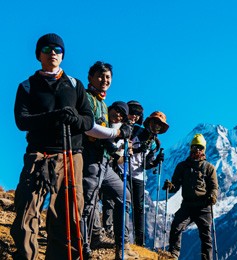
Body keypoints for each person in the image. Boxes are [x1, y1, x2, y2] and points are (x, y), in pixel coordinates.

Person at [11, 33, 94, 259]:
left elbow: (88, 120)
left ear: (63, 55)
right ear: (39, 55)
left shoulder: (75, 85)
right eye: (47, 50)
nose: (53, 54)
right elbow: (22, 121)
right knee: (27, 208)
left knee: (68, 213)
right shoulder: (27, 86)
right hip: (38, 153)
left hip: (70, 154)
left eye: (57, 50)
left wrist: (75, 120)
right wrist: (54, 117)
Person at [81, 61, 137, 259]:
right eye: (100, 76)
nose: (104, 80)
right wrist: (118, 132)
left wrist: (114, 151)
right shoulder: (86, 99)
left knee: (124, 195)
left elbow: (106, 139)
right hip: (89, 159)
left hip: (104, 162)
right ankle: (83, 245)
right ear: (90, 77)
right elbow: (90, 129)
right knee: (87, 202)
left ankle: (121, 245)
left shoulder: (104, 105)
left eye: (108, 78)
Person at [104, 107, 169, 247]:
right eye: (155, 123)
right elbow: (123, 146)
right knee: (122, 202)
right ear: (149, 122)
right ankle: (121, 237)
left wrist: (156, 162)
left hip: (139, 176)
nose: (156, 127)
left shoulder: (155, 144)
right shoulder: (135, 131)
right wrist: (138, 149)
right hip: (123, 169)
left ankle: (140, 242)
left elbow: (146, 164)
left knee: (139, 208)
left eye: (159, 125)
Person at [163, 134, 218, 260]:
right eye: (195, 147)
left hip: (203, 206)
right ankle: (173, 255)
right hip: (187, 205)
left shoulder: (209, 168)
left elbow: (214, 187)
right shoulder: (182, 167)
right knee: (176, 227)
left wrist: (212, 196)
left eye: (200, 147)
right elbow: (175, 186)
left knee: (206, 236)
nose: (197, 150)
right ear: (191, 148)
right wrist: (170, 186)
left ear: (204, 149)